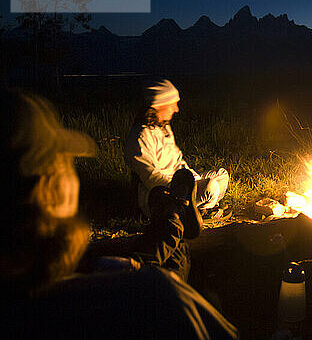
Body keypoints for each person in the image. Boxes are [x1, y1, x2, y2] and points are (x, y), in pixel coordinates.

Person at [1, 89, 238, 339]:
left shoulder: (23, 297)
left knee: (170, 238)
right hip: (160, 198)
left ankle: (175, 214)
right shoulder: (154, 295)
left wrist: (99, 263)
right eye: (64, 162)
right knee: (169, 263)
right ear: (48, 188)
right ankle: (176, 212)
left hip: (165, 200)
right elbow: (152, 176)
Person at [125, 79, 230, 218]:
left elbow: (179, 162)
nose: (176, 109)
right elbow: (151, 178)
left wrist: (193, 178)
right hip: (163, 195)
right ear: (159, 105)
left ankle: (201, 208)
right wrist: (186, 186)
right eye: (173, 104)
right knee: (211, 187)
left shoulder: (164, 127)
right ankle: (196, 212)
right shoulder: (141, 136)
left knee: (222, 175)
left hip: (182, 184)